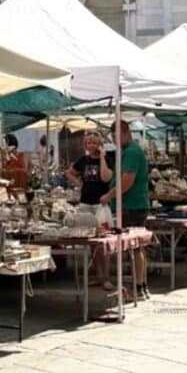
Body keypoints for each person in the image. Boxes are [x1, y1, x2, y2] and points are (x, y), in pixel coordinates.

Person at [99, 121, 151, 299]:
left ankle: (138, 288)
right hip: (133, 205)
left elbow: (127, 181)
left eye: (116, 136)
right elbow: (114, 177)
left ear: (126, 132)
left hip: (131, 206)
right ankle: (141, 287)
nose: (114, 140)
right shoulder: (128, 152)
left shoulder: (131, 152)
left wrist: (109, 195)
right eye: (112, 138)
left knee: (135, 247)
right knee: (138, 247)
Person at [66, 132, 114, 289]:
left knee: (102, 240)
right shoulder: (83, 160)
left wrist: (101, 158)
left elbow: (106, 178)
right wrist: (79, 184)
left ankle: (106, 276)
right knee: (90, 241)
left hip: (100, 204)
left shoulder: (107, 159)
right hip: (85, 203)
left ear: (99, 143)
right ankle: (98, 275)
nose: (91, 145)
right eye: (88, 143)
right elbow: (69, 172)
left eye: (94, 142)